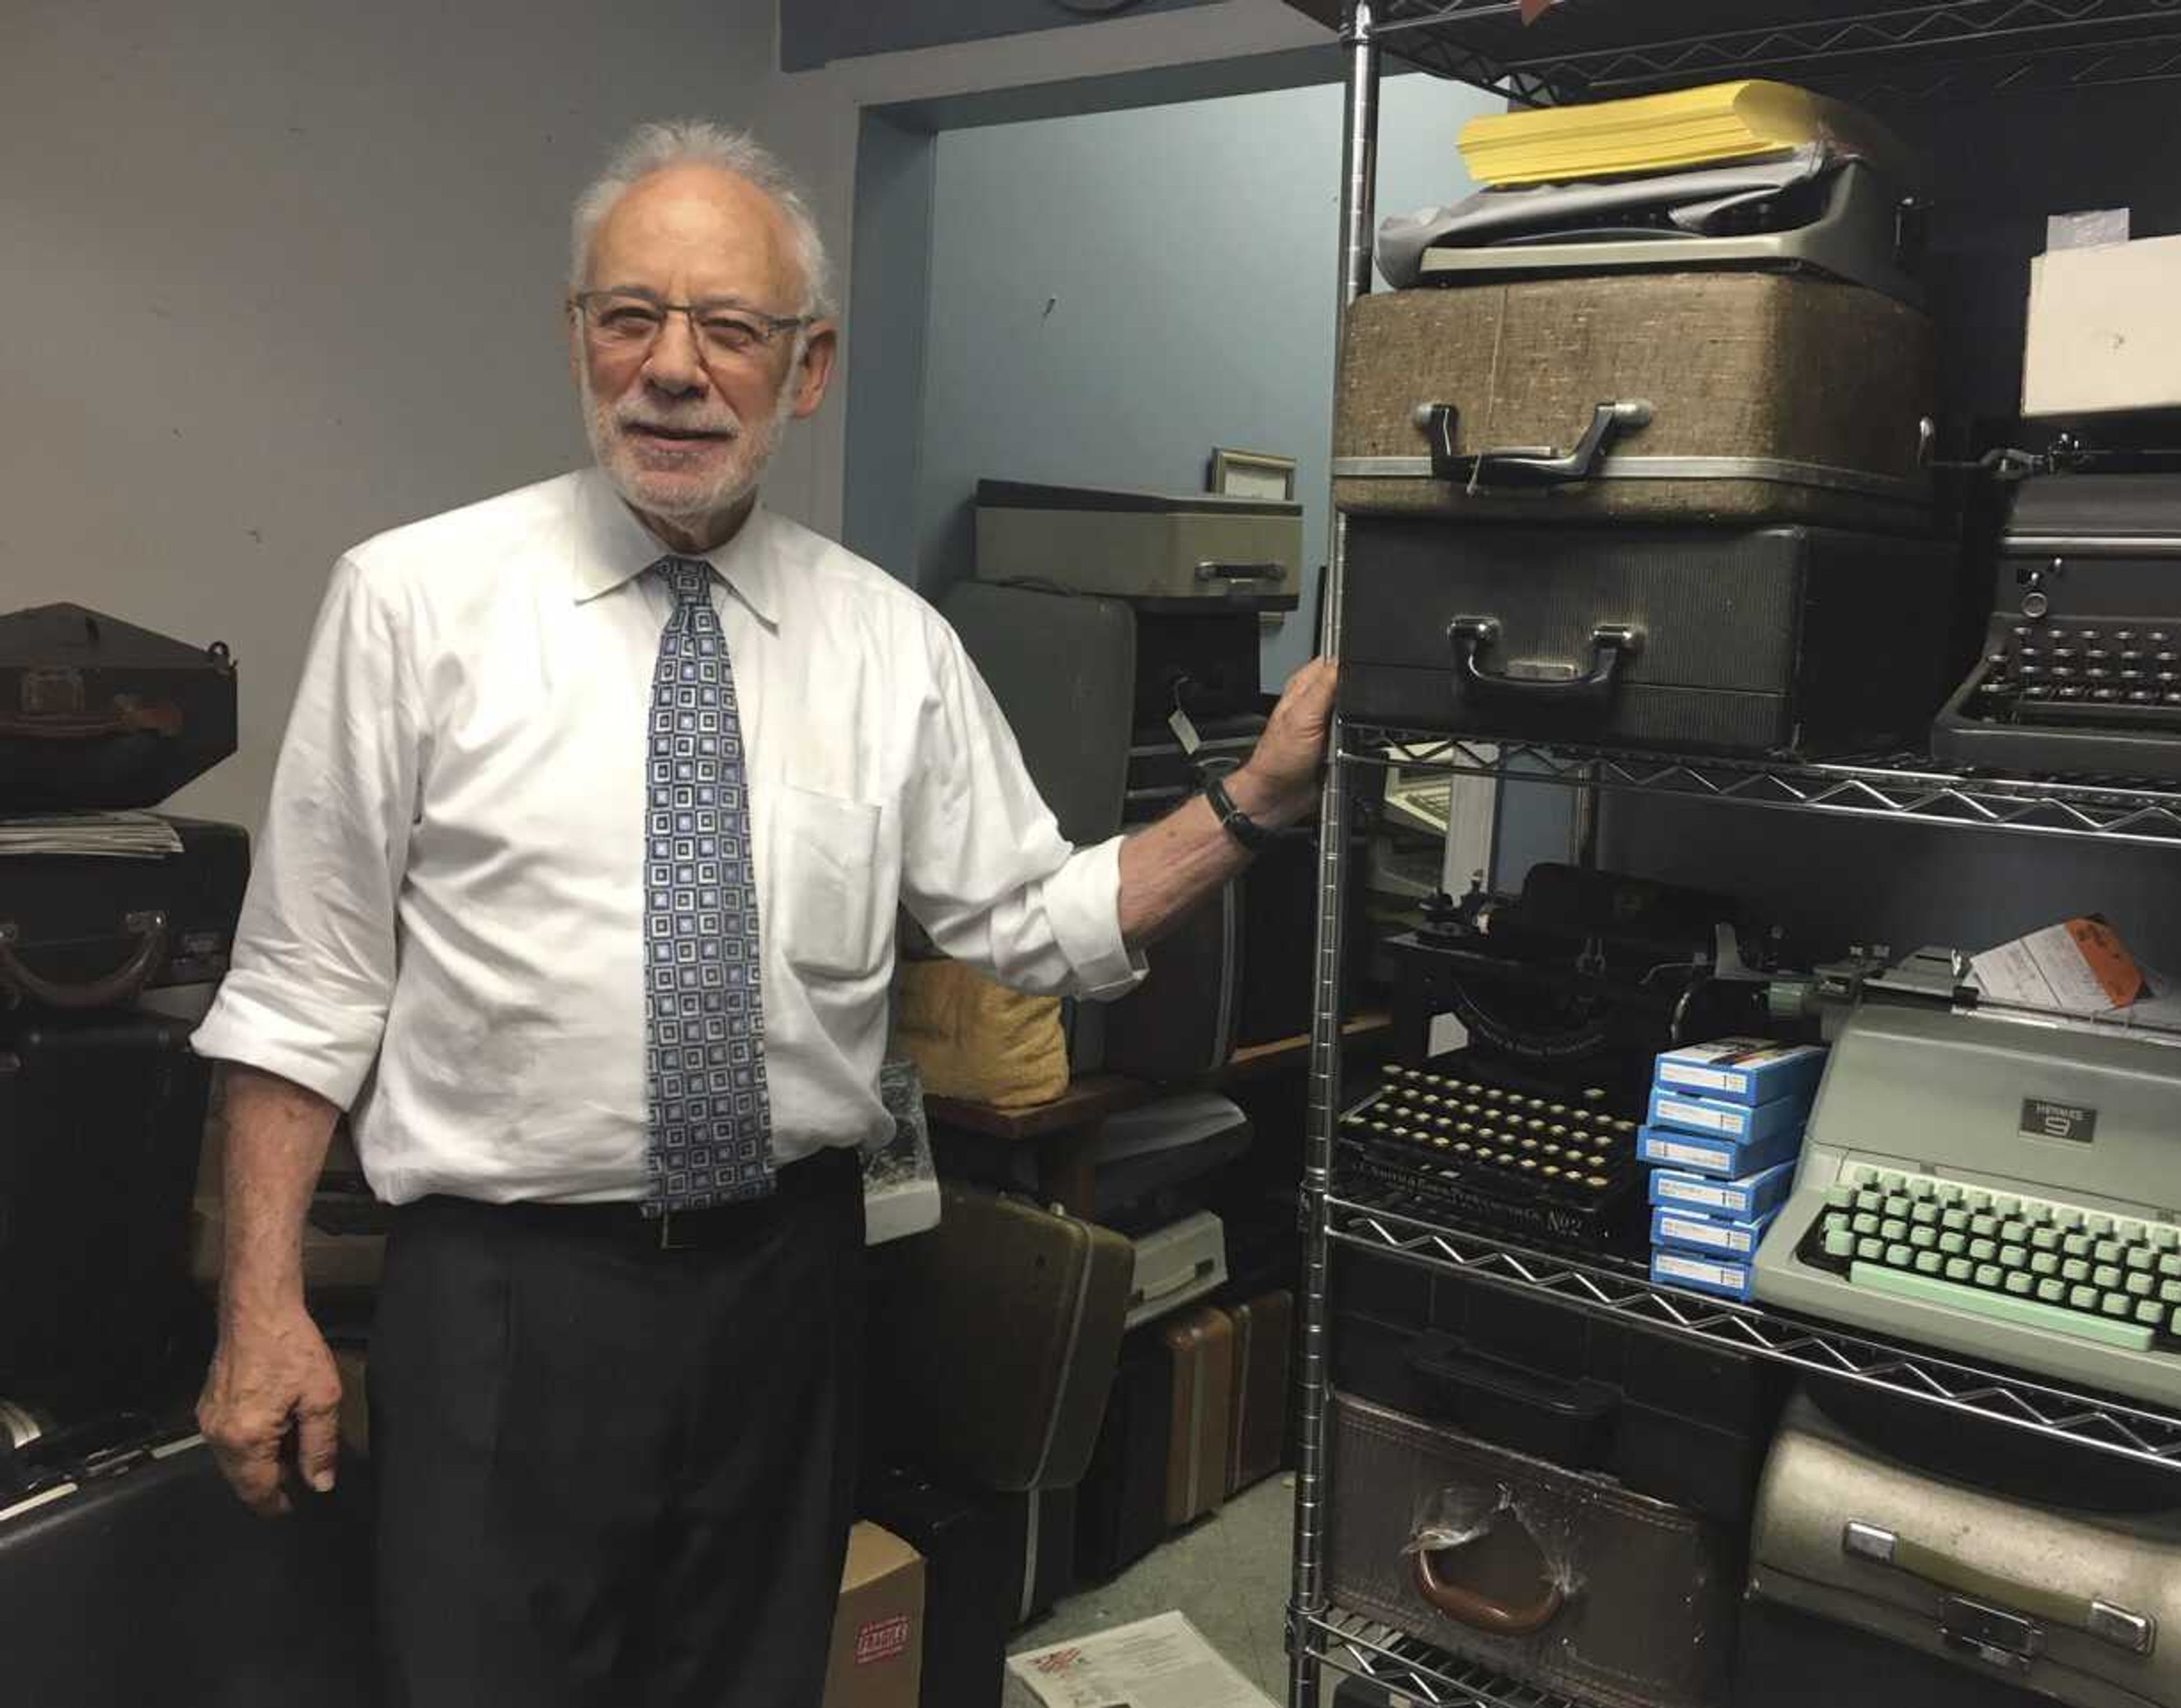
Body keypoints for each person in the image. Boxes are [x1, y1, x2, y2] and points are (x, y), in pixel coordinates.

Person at [191, 118, 1335, 1707]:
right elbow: (302, 983)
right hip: (510, 1297)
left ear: (805, 370)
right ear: (576, 337)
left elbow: (1034, 918)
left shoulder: (892, 645)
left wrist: (1255, 804)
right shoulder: (411, 604)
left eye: (728, 327)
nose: (672, 367)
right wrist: (262, 1309)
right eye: (629, 315)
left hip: (790, 1289)